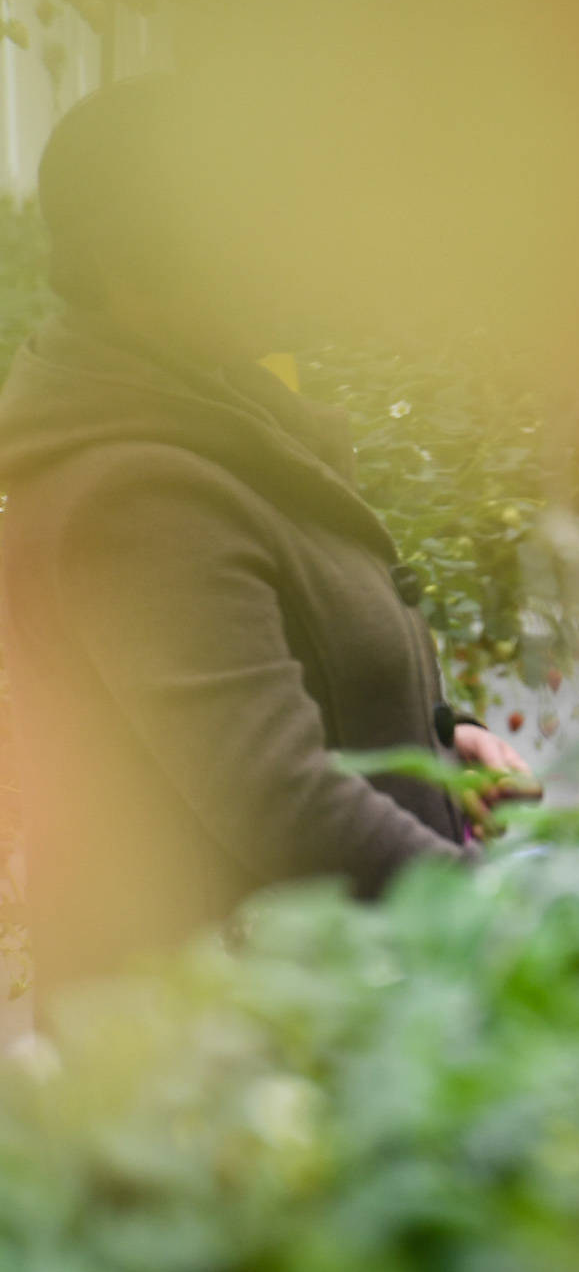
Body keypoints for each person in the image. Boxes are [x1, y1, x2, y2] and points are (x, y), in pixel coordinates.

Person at [0, 79, 529, 994]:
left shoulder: (216, 410)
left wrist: (446, 745)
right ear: (138, 269)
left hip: (325, 1009)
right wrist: (509, 925)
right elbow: (279, 798)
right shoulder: (134, 500)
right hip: (235, 1059)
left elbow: (295, 672)